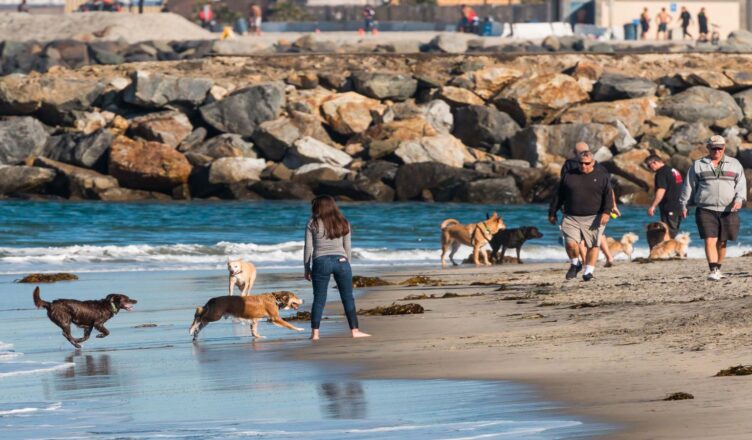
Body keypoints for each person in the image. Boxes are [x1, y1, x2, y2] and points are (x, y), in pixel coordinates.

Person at [679, 135, 747, 281]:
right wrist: (683, 204)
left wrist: (739, 199)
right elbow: (688, 185)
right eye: (714, 148)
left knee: (722, 242)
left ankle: (719, 268)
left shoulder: (734, 164)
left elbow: (741, 185)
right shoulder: (698, 165)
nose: (717, 151)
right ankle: (713, 269)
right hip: (705, 208)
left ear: (724, 148)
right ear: (708, 148)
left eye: (720, 148)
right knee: (710, 239)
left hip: (729, 209)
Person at [304, 196, 370, 340]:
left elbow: (308, 247)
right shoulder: (343, 222)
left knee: (319, 299)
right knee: (347, 298)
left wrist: (307, 268)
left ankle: (315, 334)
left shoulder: (312, 223)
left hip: (320, 262)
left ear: (318, 207)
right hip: (341, 262)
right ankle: (355, 331)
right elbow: (348, 247)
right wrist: (347, 264)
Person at [549, 150, 614, 281]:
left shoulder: (602, 176)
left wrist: (607, 212)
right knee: (570, 244)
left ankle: (588, 271)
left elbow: (608, 196)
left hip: (594, 217)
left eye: (586, 163)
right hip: (571, 217)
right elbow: (558, 196)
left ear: (593, 162)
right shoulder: (569, 175)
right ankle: (575, 264)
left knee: (593, 245)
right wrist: (552, 212)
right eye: (580, 163)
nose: (583, 166)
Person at [646, 155, 684, 238]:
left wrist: (653, 206)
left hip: (669, 207)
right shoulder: (674, 171)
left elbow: (661, 190)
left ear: (655, 162)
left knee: (668, 235)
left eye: (649, 165)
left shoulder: (661, 173)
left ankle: (676, 250)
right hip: (679, 206)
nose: (649, 168)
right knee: (673, 232)